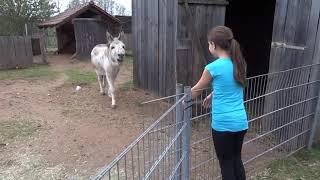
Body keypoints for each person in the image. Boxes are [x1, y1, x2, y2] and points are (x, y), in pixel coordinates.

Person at [191, 26, 248, 180]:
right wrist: (212, 94)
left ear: (214, 45)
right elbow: (229, 84)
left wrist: (181, 100)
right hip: (241, 123)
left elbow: (196, 90)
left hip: (223, 126)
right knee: (236, 160)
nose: (209, 47)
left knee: (226, 165)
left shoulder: (212, 68)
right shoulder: (240, 63)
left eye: (209, 44)